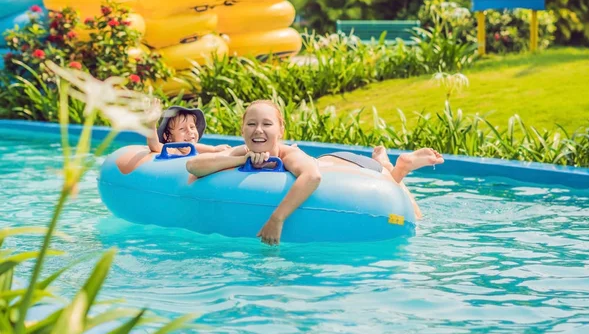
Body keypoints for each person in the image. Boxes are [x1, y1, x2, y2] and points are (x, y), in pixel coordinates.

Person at [185, 100, 444, 245]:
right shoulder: (243, 150)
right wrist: (240, 158)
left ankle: (393, 166)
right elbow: (193, 166)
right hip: (332, 166)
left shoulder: (290, 154)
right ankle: (392, 167)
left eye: (267, 124)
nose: (258, 130)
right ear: (242, 130)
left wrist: (277, 219)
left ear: (281, 131)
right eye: (251, 124)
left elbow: (314, 177)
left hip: (353, 166)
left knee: (415, 214)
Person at [146, 99, 230, 155]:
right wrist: (151, 125)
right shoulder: (173, 150)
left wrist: (216, 149)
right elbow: (155, 146)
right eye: (182, 129)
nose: (189, 131)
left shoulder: (194, 148)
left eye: (192, 127)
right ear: (168, 137)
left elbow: (213, 149)